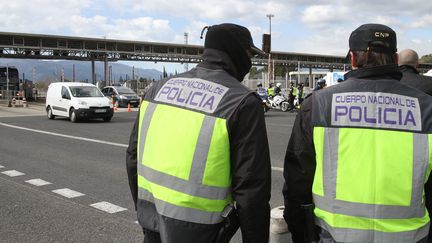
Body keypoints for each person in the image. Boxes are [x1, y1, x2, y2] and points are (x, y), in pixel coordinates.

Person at [283, 23, 432, 243]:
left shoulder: (318, 104)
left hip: (333, 236)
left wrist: (300, 232)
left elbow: (297, 181)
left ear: (352, 59)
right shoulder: (427, 108)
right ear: (395, 57)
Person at [126, 23, 271, 243]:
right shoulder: (241, 102)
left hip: (153, 225)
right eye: (249, 55)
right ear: (235, 52)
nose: (250, 63)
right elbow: (251, 192)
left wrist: (146, 215)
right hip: (201, 232)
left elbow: (132, 158)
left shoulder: (157, 90)